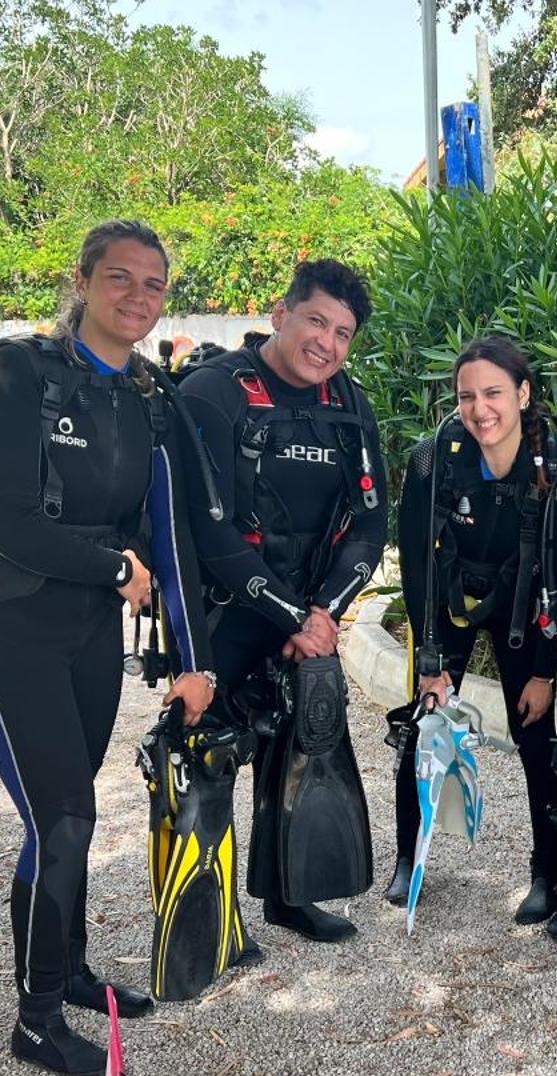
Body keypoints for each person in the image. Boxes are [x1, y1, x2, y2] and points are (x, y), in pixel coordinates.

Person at [0, 220, 215, 1076]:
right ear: (84, 282)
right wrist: (109, 563)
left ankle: (73, 969)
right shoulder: (18, 374)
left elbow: (169, 533)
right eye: (119, 278)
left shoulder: (147, 396)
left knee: (71, 806)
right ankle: (37, 1014)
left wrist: (192, 657)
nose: (137, 297)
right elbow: (11, 523)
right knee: (61, 816)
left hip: (85, 618)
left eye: (154, 284)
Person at [177, 259, 387, 943]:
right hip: (225, 613)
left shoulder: (347, 404)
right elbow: (206, 530)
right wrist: (293, 616)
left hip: (308, 613)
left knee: (304, 741)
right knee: (207, 759)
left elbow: (371, 522)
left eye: (344, 333)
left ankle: (289, 895)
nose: (327, 342)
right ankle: (203, 920)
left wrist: (321, 612)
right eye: (316, 321)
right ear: (281, 314)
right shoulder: (214, 393)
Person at [390, 335, 557, 925]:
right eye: (467, 395)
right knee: (424, 724)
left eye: (494, 392)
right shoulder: (433, 458)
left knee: (536, 738)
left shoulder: (556, 466)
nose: (480, 409)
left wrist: (546, 670)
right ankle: (406, 857)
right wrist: (428, 660)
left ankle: (546, 873)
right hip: (450, 597)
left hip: (525, 607)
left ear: (523, 394)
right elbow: (417, 561)